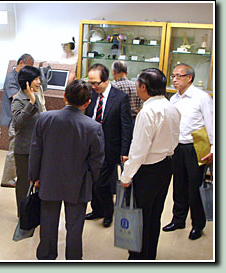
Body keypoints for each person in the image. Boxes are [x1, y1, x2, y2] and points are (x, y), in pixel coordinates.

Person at [29, 79, 104, 260]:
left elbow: (35, 150)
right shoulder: (94, 127)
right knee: (75, 227)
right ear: (87, 102)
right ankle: (73, 260)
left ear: (64, 97)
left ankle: (46, 256)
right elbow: (97, 160)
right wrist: (91, 179)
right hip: (78, 182)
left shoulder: (45, 118)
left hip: (48, 179)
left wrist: (34, 176)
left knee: (47, 223)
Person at [120, 68, 181, 260]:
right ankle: (149, 256)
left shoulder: (148, 112)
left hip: (147, 170)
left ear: (143, 87)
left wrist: (126, 176)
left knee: (139, 216)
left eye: (138, 84)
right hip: (166, 166)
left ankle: (138, 258)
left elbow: (138, 150)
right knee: (155, 215)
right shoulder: (171, 107)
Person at [162, 63, 213, 240]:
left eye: (178, 76)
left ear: (189, 77)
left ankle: (198, 224)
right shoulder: (173, 99)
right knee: (178, 185)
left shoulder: (202, 97)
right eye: (173, 76)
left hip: (195, 147)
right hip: (177, 147)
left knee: (195, 187)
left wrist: (214, 148)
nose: (174, 80)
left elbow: (211, 124)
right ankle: (178, 219)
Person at [84, 63, 133, 228]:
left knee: (102, 183)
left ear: (105, 80)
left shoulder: (120, 98)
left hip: (109, 147)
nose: (93, 86)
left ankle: (108, 212)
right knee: (92, 181)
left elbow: (126, 126)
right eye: (90, 83)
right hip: (90, 147)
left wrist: (125, 151)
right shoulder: (91, 94)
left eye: (96, 83)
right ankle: (96, 209)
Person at [11, 65, 43, 217]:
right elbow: (18, 122)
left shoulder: (36, 97)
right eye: (36, 79)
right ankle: (23, 214)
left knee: (39, 182)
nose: (39, 82)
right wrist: (30, 102)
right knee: (23, 183)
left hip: (38, 148)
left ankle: (35, 211)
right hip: (24, 150)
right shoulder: (19, 100)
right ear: (27, 82)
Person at [0, 53, 34, 188]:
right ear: (20, 63)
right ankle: (7, 179)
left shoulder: (22, 77)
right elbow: (16, 97)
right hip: (14, 118)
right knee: (14, 149)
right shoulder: (12, 78)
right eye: (28, 66)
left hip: (22, 119)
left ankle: (14, 176)